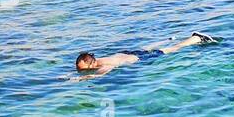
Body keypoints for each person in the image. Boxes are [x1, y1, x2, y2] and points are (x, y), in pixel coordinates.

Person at [75, 30, 220, 77]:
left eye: (83, 69)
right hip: (128, 53)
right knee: (147, 47)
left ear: (92, 63)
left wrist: (87, 77)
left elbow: (104, 72)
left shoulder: (104, 64)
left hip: (138, 58)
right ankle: (168, 38)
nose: (81, 72)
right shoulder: (95, 59)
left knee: (171, 50)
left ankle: (195, 38)